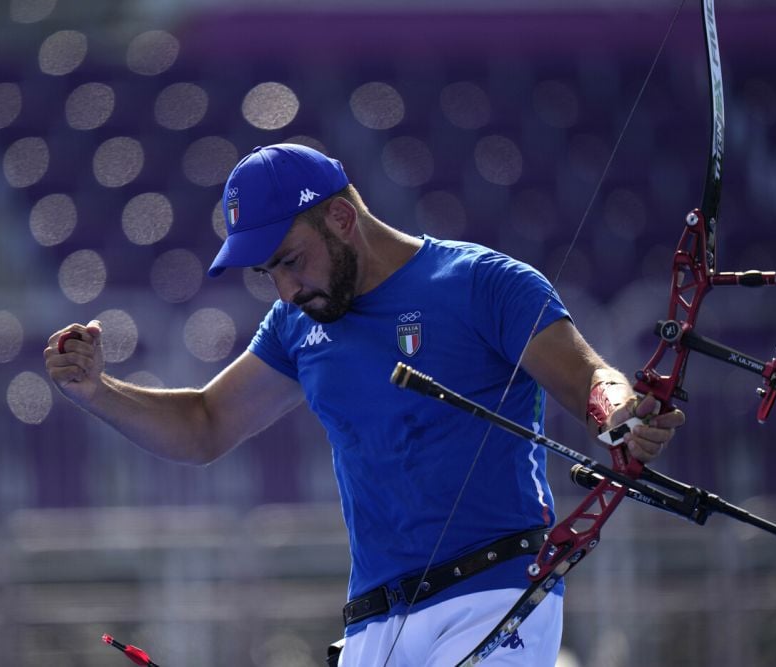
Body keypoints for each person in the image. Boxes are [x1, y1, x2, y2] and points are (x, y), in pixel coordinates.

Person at [44, 143, 685, 666]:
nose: (287, 288)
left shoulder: (483, 283)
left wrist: (621, 414)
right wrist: (97, 390)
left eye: (291, 260)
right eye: (270, 273)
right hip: (375, 625)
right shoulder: (295, 325)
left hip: (494, 597)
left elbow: (590, 378)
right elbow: (204, 425)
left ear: (344, 220)